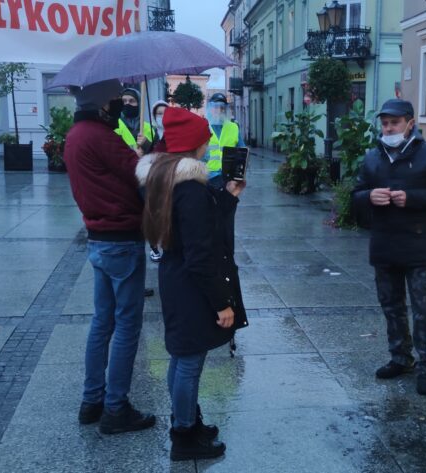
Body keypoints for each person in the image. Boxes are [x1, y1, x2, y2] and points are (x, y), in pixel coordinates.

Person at [137, 107, 247, 461]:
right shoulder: (191, 190)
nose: (209, 144)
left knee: (181, 356)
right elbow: (201, 255)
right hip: (191, 286)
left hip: (175, 277)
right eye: (205, 139)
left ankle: (186, 421)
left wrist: (229, 195)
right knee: (189, 361)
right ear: (196, 144)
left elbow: (197, 226)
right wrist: (222, 303)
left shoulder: (163, 179)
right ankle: (184, 436)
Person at [63, 80, 156, 435]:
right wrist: (147, 155)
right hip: (121, 239)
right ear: (102, 104)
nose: (120, 103)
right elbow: (141, 174)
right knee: (127, 325)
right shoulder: (101, 136)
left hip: (99, 238)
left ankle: (92, 401)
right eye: (116, 98)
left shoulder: (76, 135)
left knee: (102, 321)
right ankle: (116, 408)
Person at [352, 99, 426, 396]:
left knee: (425, 309)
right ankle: (400, 358)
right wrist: (368, 196)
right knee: (392, 306)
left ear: (410, 124)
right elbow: (356, 195)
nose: (389, 128)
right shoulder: (372, 157)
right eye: (385, 123)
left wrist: (412, 198)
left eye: (395, 123)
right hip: (384, 244)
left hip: (418, 244)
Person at [204, 93, 244, 189]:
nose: (219, 110)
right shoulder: (203, 126)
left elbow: (242, 152)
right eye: (216, 107)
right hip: (207, 176)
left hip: (228, 178)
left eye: (222, 108)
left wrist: (238, 175)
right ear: (210, 108)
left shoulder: (233, 127)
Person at [118, 88, 155, 155]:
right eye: (124, 101)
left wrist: (146, 144)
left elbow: (158, 152)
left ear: (139, 104)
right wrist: (132, 152)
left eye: (131, 101)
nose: (127, 103)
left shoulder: (149, 128)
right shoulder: (114, 126)